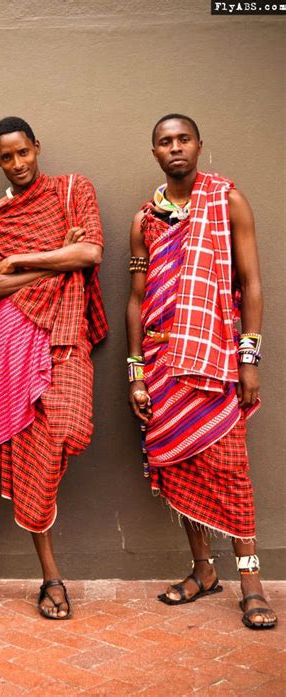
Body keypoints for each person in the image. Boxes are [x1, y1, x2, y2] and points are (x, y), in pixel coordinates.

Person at [126, 113, 276, 629]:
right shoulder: (145, 219)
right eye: (165, 142)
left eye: (183, 139)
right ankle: (203, 569)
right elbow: (136, 299)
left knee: (231, 469)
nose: (175, 149)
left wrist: (249, 358)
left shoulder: (227, 201)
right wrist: (135, 371)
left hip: (215, 361)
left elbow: (252, 284)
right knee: (178, 466)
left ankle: (251, 581)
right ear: (154, 153)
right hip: (163, 361)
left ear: (199, 145)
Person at [0, 116, 108, 619]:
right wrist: (61, 257)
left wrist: (24, 260)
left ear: (36, 147)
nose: (17, 164)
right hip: (12, 334)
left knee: (69, 424)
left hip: (65, 329)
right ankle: (51, 576)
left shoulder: (74, 190)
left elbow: (91, 250)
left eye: (23, 152)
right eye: (6, 157)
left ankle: (49, 569)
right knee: (34, 445)